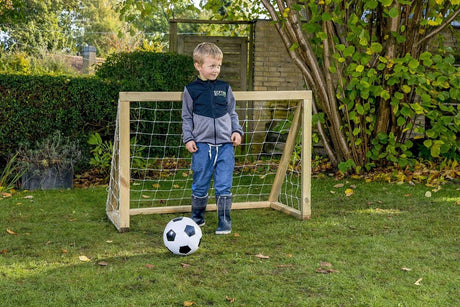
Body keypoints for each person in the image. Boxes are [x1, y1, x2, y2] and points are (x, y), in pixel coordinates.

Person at [182, 42, 243, 235]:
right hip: (201, 146)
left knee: (224, 183)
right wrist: (188, 138)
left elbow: (232, 113)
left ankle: (224, 220)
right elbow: (186, 116)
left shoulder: (225, 88)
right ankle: (197, 216)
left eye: (218, 66)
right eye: (211, 66)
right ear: (198, 66)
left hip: (225, 145)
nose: (216, 70)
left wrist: (237, 131)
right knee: (200, 182)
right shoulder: (191, 90)